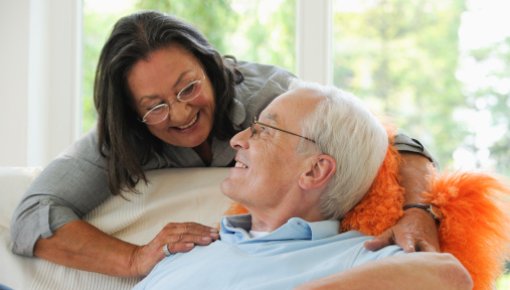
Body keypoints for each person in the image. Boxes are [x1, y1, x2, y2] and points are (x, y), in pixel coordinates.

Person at [10, 10, 439, 277]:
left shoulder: (270, 98)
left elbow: (385, 141)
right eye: (155, 106)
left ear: (210, 65)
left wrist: (420, 210)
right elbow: (33, 215)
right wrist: (134, 260)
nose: (179, 114)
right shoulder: (125, 132)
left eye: (187, 88)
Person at [133, 80, 472, 290]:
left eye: (263, 130)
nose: (237, 140)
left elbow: (450, 278)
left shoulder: (355, 256)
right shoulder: (191, 249)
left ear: (314, 171)